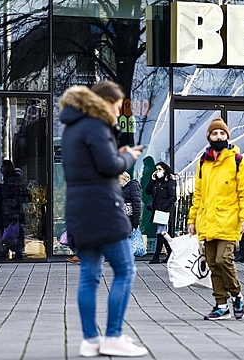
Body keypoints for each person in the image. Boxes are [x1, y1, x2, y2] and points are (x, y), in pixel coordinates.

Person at [59, 81, 148, 357]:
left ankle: (90, 340)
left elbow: (91, 166)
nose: (119, 112)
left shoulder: (72, 128)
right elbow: (109, 167)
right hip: (104, 209)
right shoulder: (97, 125)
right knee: (125, 270)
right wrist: (128, 158)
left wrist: (115, 154)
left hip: (80, 210)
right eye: (119, 106)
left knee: (89, 275)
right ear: (106, 102)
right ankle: (113, 336)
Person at [187, 118, 244, 320]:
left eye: (222, 134)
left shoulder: (238, 161)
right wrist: (192, 220)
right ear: (209, 137)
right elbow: (198, 194)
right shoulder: (203, 162)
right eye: (215, 134)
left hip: (229, 220)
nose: (219, 137)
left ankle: (236, 295)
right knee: (212, 264)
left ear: (228, 136)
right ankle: (221, 305)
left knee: (223, 259)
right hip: (207, 221)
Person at [146, 162, 176, 264]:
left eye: (159, 169)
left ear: (165, 170)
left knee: (161, 232)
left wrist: (163, 207)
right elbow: (147, 191)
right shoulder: (157, 182)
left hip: (164, 211)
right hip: (157, 211)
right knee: (163, 233)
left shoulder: (170, 182)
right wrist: (152, 179)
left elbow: (173, 197)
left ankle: (156, 256)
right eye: (156, 169)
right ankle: (171, 254)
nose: (157, 171)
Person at [120, 171, 143, 257]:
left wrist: (136, 220)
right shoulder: (121, 188)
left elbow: (136, 203)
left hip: (129, 216)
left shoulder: (132, 186)